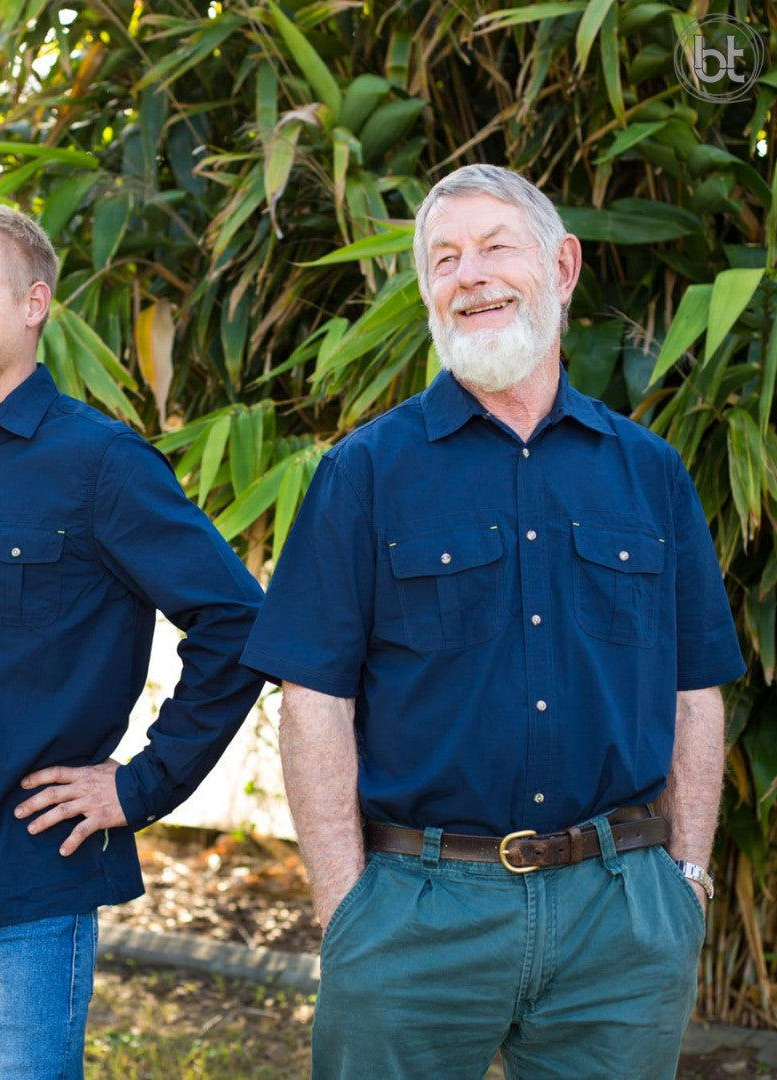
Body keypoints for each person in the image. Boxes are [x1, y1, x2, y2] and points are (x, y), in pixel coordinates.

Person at [240, 164, 745, 1079]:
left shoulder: (649, 472)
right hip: (418, 915)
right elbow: (311, 699)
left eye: (494, 247)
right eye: (444, 258)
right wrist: (346, 909)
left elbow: (696, 688)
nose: (468, 273)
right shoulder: (364, 473)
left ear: (561, 267)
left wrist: (687, 882)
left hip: (620, 919)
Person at [0, 202, 264, 1079]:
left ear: (35, 304)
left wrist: (142, 786)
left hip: (29, 898)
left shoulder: (101, 465)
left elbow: (237, 624)